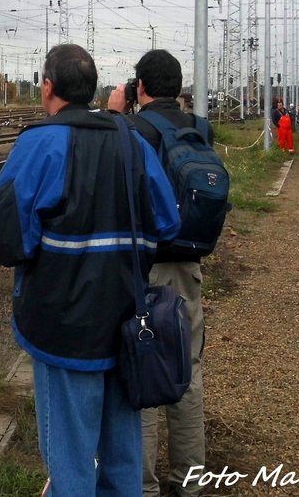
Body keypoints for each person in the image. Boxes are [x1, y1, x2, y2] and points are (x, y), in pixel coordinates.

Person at [0, 44, 180, 496]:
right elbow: (168, 220)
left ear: (48, 87)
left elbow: (7, 242)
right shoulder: (130, 140)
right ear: (92, 89)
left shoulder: (38, 143)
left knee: (70, 459)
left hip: (62, 327)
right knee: (123, 455)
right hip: (129, 325)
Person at [108, 50, 212, 497]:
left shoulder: (131, 130)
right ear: (179, 86)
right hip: (188, 263)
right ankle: (190, 480)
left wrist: (115, 114)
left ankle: (142, 485)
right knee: (187, 368)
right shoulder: (200, 128)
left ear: (139, 87)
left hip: (143, 266)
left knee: (142, 365)